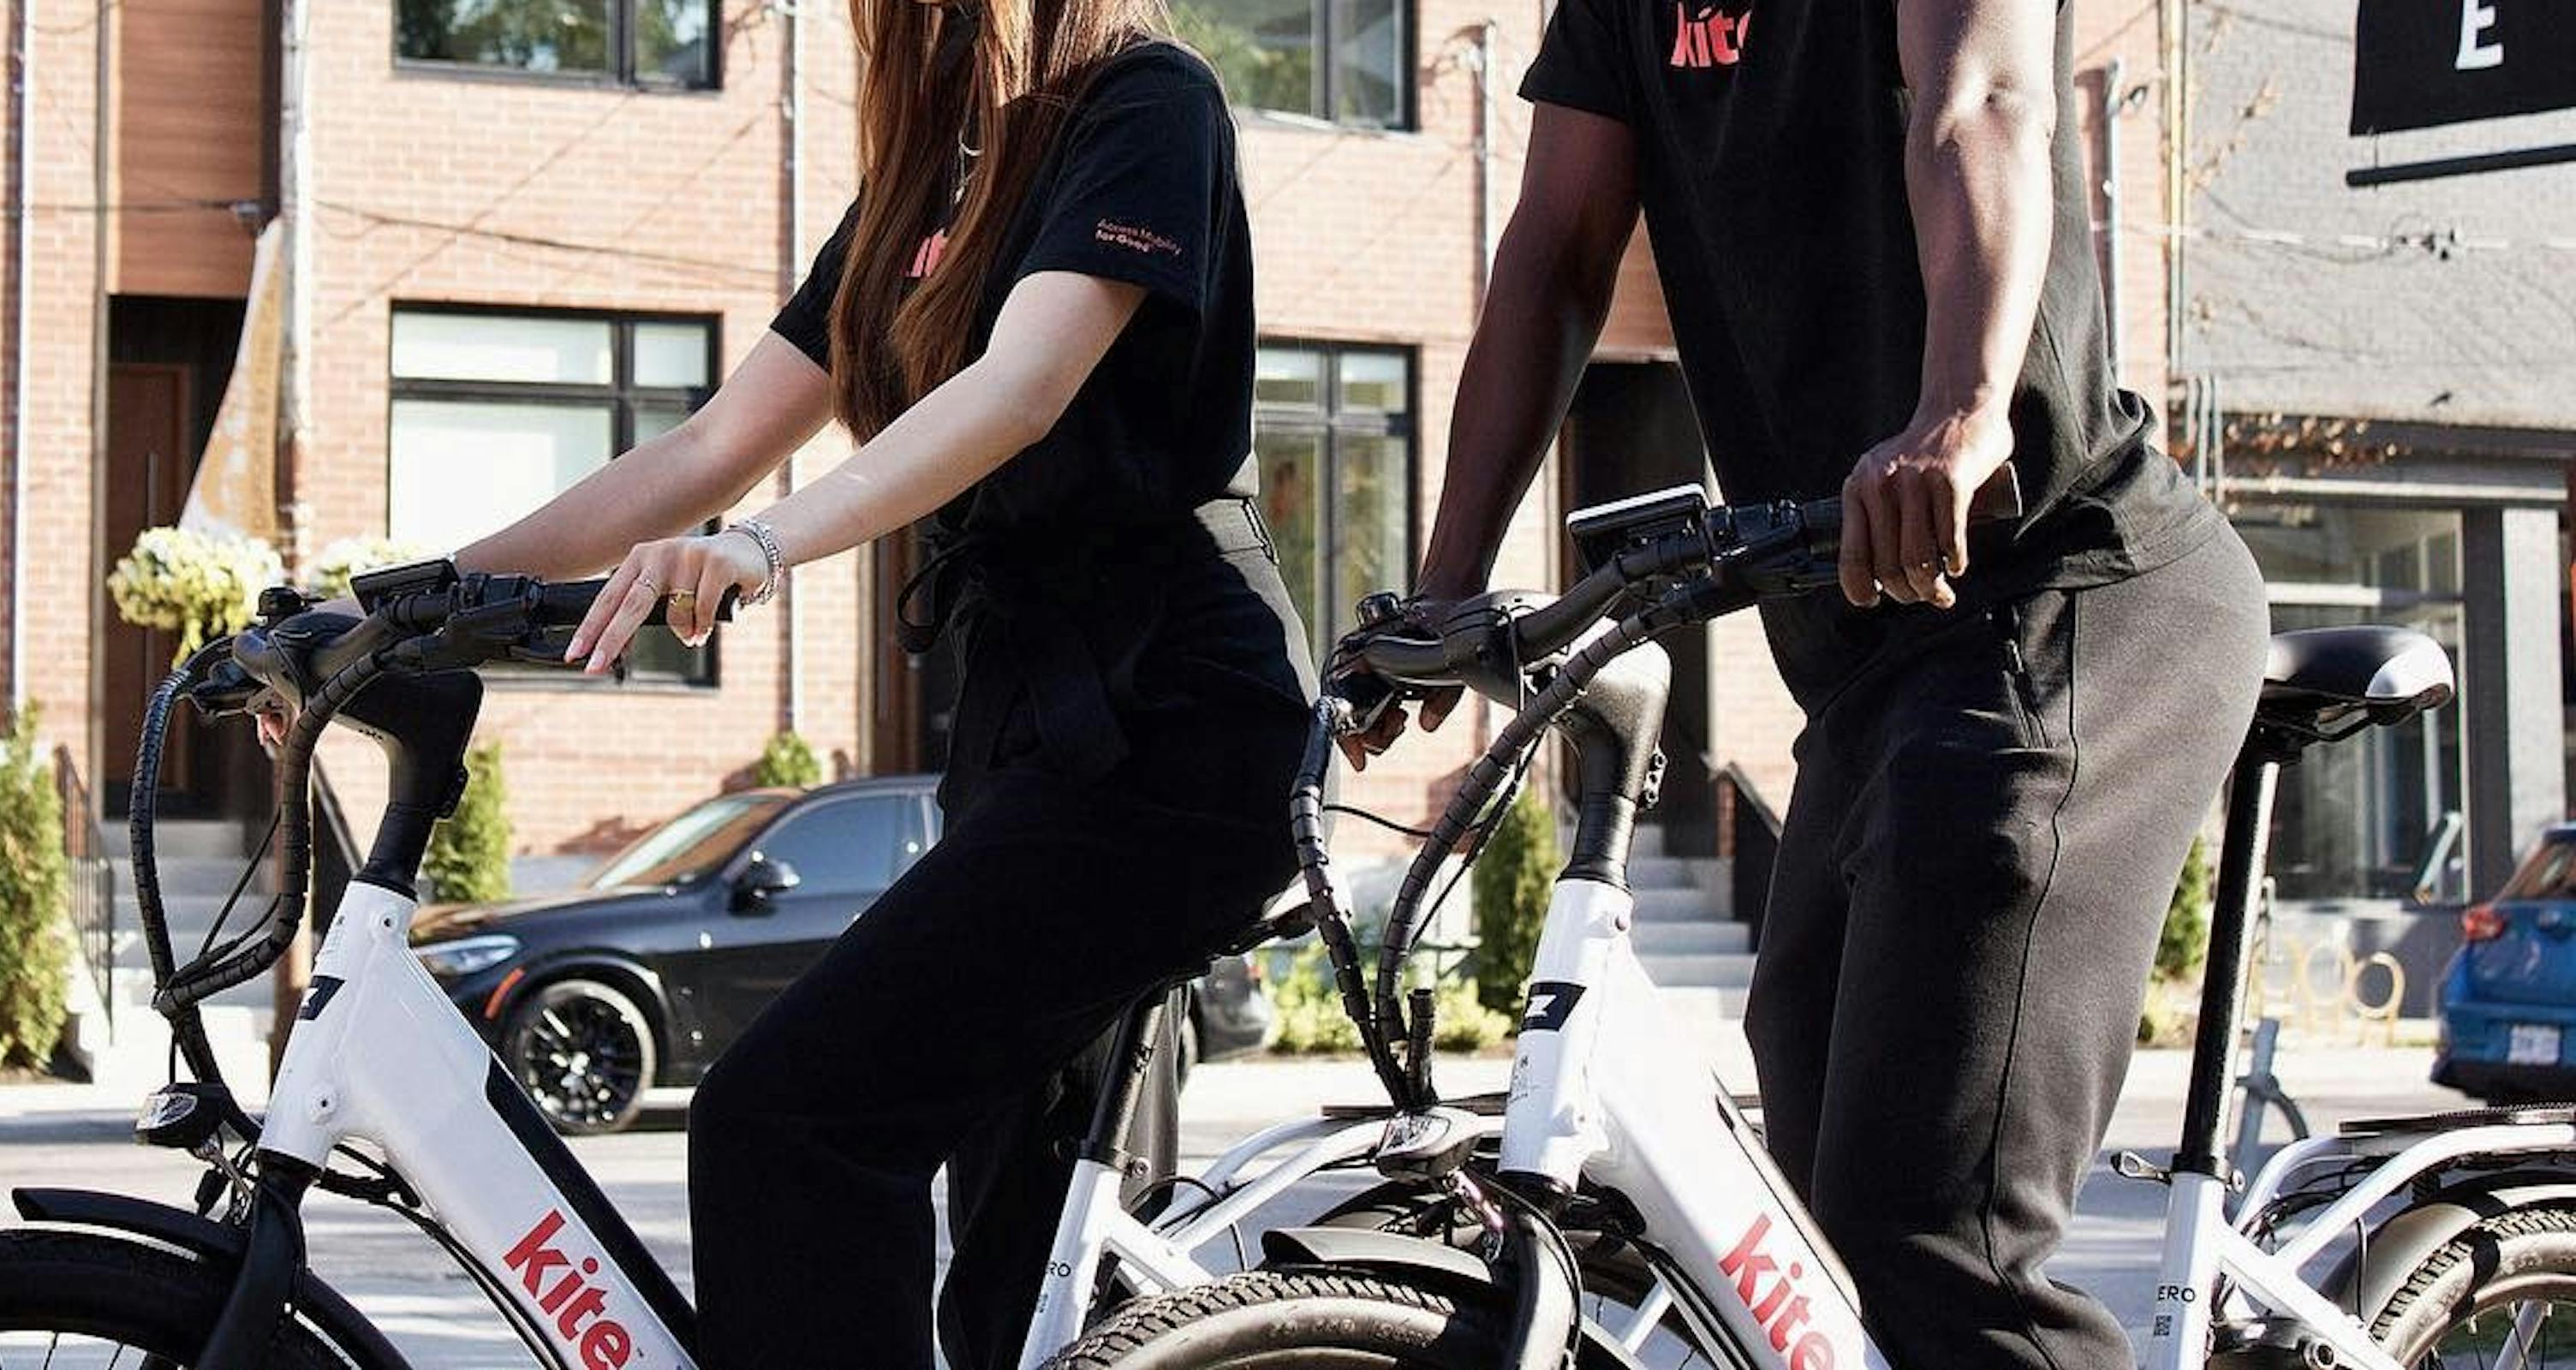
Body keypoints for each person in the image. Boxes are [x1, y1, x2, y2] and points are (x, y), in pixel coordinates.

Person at [1337, 0, 2268, 1365]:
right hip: (1871, 654)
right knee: (1812, 1258)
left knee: (1936, 1243)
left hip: (2065, 595)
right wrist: (1445, 589)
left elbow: (1979, 107)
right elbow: (1554, 253)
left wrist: (1962, 409)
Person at [437, 0, 1306, 1362]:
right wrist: (410, 599)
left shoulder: (1147, 103)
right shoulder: (931, 175)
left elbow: (1023, 387)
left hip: (1175, 726)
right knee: (1020, 1292)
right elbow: (709, 444)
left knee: (791, 1126)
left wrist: (764, 542)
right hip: (1028, 730)